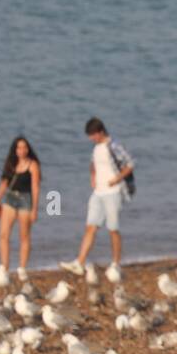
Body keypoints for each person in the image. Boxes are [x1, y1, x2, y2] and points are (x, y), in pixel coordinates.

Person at [59, 117, 133, 282]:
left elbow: (129, 164)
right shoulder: (96, 148)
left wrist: (117, 179)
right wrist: (92, 177)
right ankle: (80, 262)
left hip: (113, 192)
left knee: (113, 229)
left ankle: (115, 263)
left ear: (100, 132)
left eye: (93, 135)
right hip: (98, 193)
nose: (91, 138)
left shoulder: (114, 145)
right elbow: (93, 163)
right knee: (90, 227)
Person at [0, 135, 41, 283]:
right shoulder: (11, 164)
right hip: (10, 199)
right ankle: (4, 268)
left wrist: (35, 209)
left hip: (26, 200)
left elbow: (35, 187)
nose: (22, 150)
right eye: (19, 147)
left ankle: (22, 269)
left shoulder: (33, 165)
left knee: (24, 236)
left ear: (28, 149)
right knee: (3, 235)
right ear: (15, 149)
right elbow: (4, 184)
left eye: (24, 147)